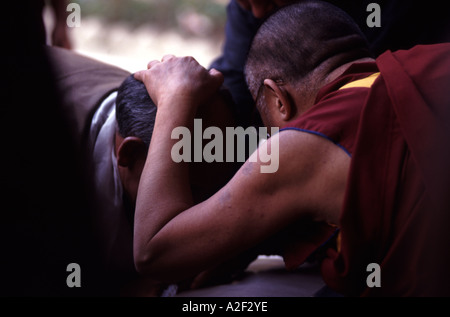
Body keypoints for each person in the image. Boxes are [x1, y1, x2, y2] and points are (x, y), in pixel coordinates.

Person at [132, 1, 450, 296]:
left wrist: (174, 97)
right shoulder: (426, 64)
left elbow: (154, 252)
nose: (268, 138)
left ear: (278, 100)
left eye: (263, 118)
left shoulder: (309, 141)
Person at [211, 0, 450, 128]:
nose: (257, 12)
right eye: (244, 3)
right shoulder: (253, 14)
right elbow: (239, 96)